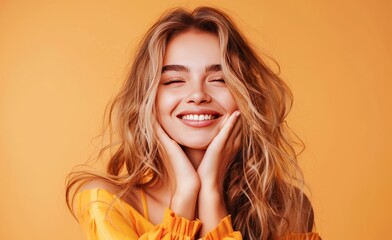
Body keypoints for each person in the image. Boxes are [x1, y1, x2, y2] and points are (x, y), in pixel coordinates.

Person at [66, 6, 321, 240]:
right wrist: (185, 195)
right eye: (174, 80)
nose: (198, 95)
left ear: (247, 95)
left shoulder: (287, 207)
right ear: (148, 98)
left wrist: (211, 195)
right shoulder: (108, 202)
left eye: (220, 79)